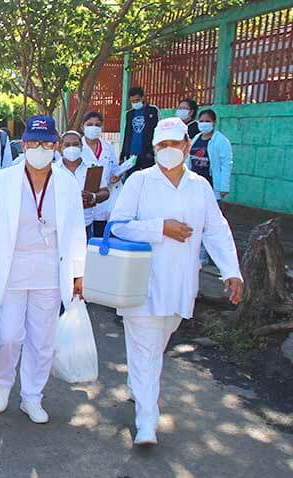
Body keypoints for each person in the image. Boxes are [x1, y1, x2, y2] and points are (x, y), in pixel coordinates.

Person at [110, 117, 242, 445]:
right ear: (154, 148)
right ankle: (146, 421)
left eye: (174, 144)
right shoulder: (139, 182)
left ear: (186, 145)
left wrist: (231, 271)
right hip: (140, 283)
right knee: (147, 349)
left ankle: (137, 388)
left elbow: (216, 229)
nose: (168, 151)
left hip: (181, 284)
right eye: (162, 145)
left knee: (157, 342)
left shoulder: (200, 185)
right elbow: (118, 225)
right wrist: (159, 227)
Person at [0, 115, 86, 424]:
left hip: (49, 270)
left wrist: (78, 273)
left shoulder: (67, 184)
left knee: (41, 339)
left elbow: (75, 231)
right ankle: (4, 382)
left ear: (56, 146)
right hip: (11, 269)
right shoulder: (0, 181)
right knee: (7, 336)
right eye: (34, 142)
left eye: (47, 143)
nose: (40, 149)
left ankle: (32, 396)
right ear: (24, 143)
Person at [59, 131, 109, 240]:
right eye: (67, 145)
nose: (71, 148)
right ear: (60, 147)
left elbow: (105, 192)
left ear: (81, 147)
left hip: (85, 225)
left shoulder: (93, 167)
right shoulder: (53, 169)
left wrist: (93, 197)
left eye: (75, 144)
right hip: (59, 226)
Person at [81, 112, 122, 237]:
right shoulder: (77, 146)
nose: (94, 127)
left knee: (101, 233)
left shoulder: (107, 146)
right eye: (90, 124)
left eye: (97, 125)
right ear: (82, 127)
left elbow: (114, 167)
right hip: (84, 198)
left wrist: (117, 175)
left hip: (104, 197)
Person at [186, 109, 233, 200]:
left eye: (207, 121)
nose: (204, 124)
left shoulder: (221, 141)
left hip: (211, 184)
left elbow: (226, 165)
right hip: (195, 184)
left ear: (214, 123)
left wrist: (224, 187)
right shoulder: (196, 138)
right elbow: (188, 160)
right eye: (201, 121)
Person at [121, 86, 160, 173]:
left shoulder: (153, 111)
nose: (135, 103)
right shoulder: (129, 114)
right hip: (131, 156)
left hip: (147, 154)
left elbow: (158, 131)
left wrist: (152, 152)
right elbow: (127, 134)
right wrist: (123, 155)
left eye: (137, 100)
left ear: (143, 98)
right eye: (132, 101)